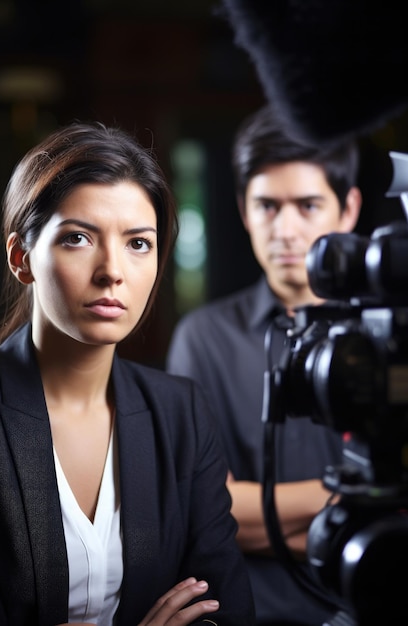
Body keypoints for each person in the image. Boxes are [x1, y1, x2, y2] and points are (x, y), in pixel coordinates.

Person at [0, 121, 256, 626]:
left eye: (139, 244)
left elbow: (225, 607)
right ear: (21, 258)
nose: (112, 269)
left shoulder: (179, 411)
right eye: (78, 238)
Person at [166, 105, 362, 625]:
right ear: (243, 209)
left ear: (348, 210)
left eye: (308, 205)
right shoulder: (204, 337)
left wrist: (267, 515)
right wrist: (364, 501)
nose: (286, 230)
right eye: (268, 206)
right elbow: (210, 515)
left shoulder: (391, 332)